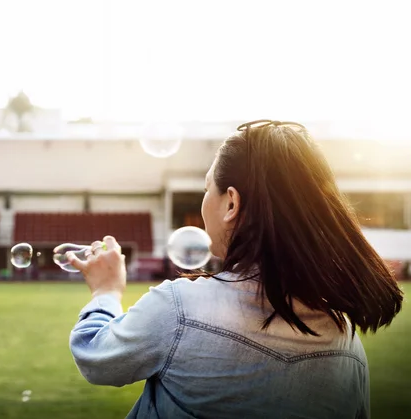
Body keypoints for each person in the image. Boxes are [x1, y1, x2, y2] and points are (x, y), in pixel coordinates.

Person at [66, 120, 404, 419]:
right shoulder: (346, 343)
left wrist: (106, 291)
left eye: (205, 188)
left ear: (231, 202)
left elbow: (96, 358)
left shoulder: (179, 309)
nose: (202, 202)